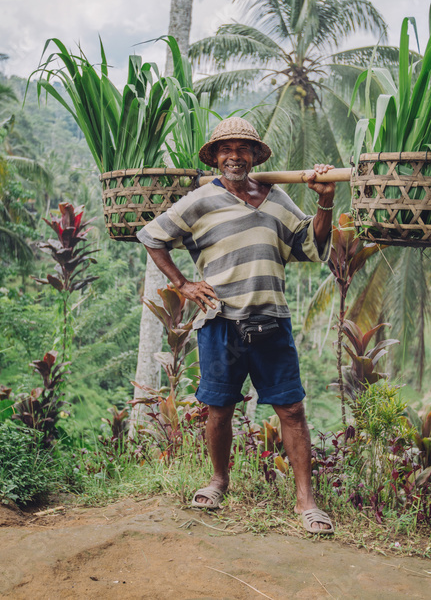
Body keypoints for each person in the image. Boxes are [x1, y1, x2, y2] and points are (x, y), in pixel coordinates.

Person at [137, 117, 336, 534]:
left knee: (292, 410)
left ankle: (306, 501)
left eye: (242, 148)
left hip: (271, 319)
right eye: (225, 149)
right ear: (214, 157)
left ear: (254, 155)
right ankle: (218, 480)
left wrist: (325, 203)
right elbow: (153, 236)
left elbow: (311, 246)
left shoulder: (276, 197)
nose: (234, 156)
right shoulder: (199, 200)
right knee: (220, 408)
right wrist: (183, 284)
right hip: (220, 322)